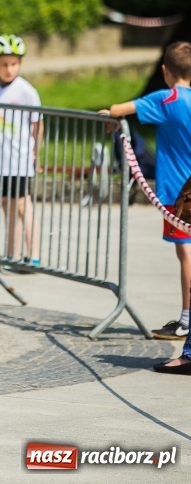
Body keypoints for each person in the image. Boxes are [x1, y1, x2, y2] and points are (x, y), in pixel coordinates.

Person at [101, 42, 191, 345]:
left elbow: (121, 109)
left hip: (179, 195)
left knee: (186, 252)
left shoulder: (167, 99)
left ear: (165, 71)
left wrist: (108, 114)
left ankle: (186, 320)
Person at [0, 34, 42, 269]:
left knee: (22, 204)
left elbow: (38, 123)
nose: (9, 69)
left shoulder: (26, 91)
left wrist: (36, 153)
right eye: (4, 64)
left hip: (19, 159)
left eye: (14, 64)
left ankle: (34, 254)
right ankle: (11, 254)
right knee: (7, 205)